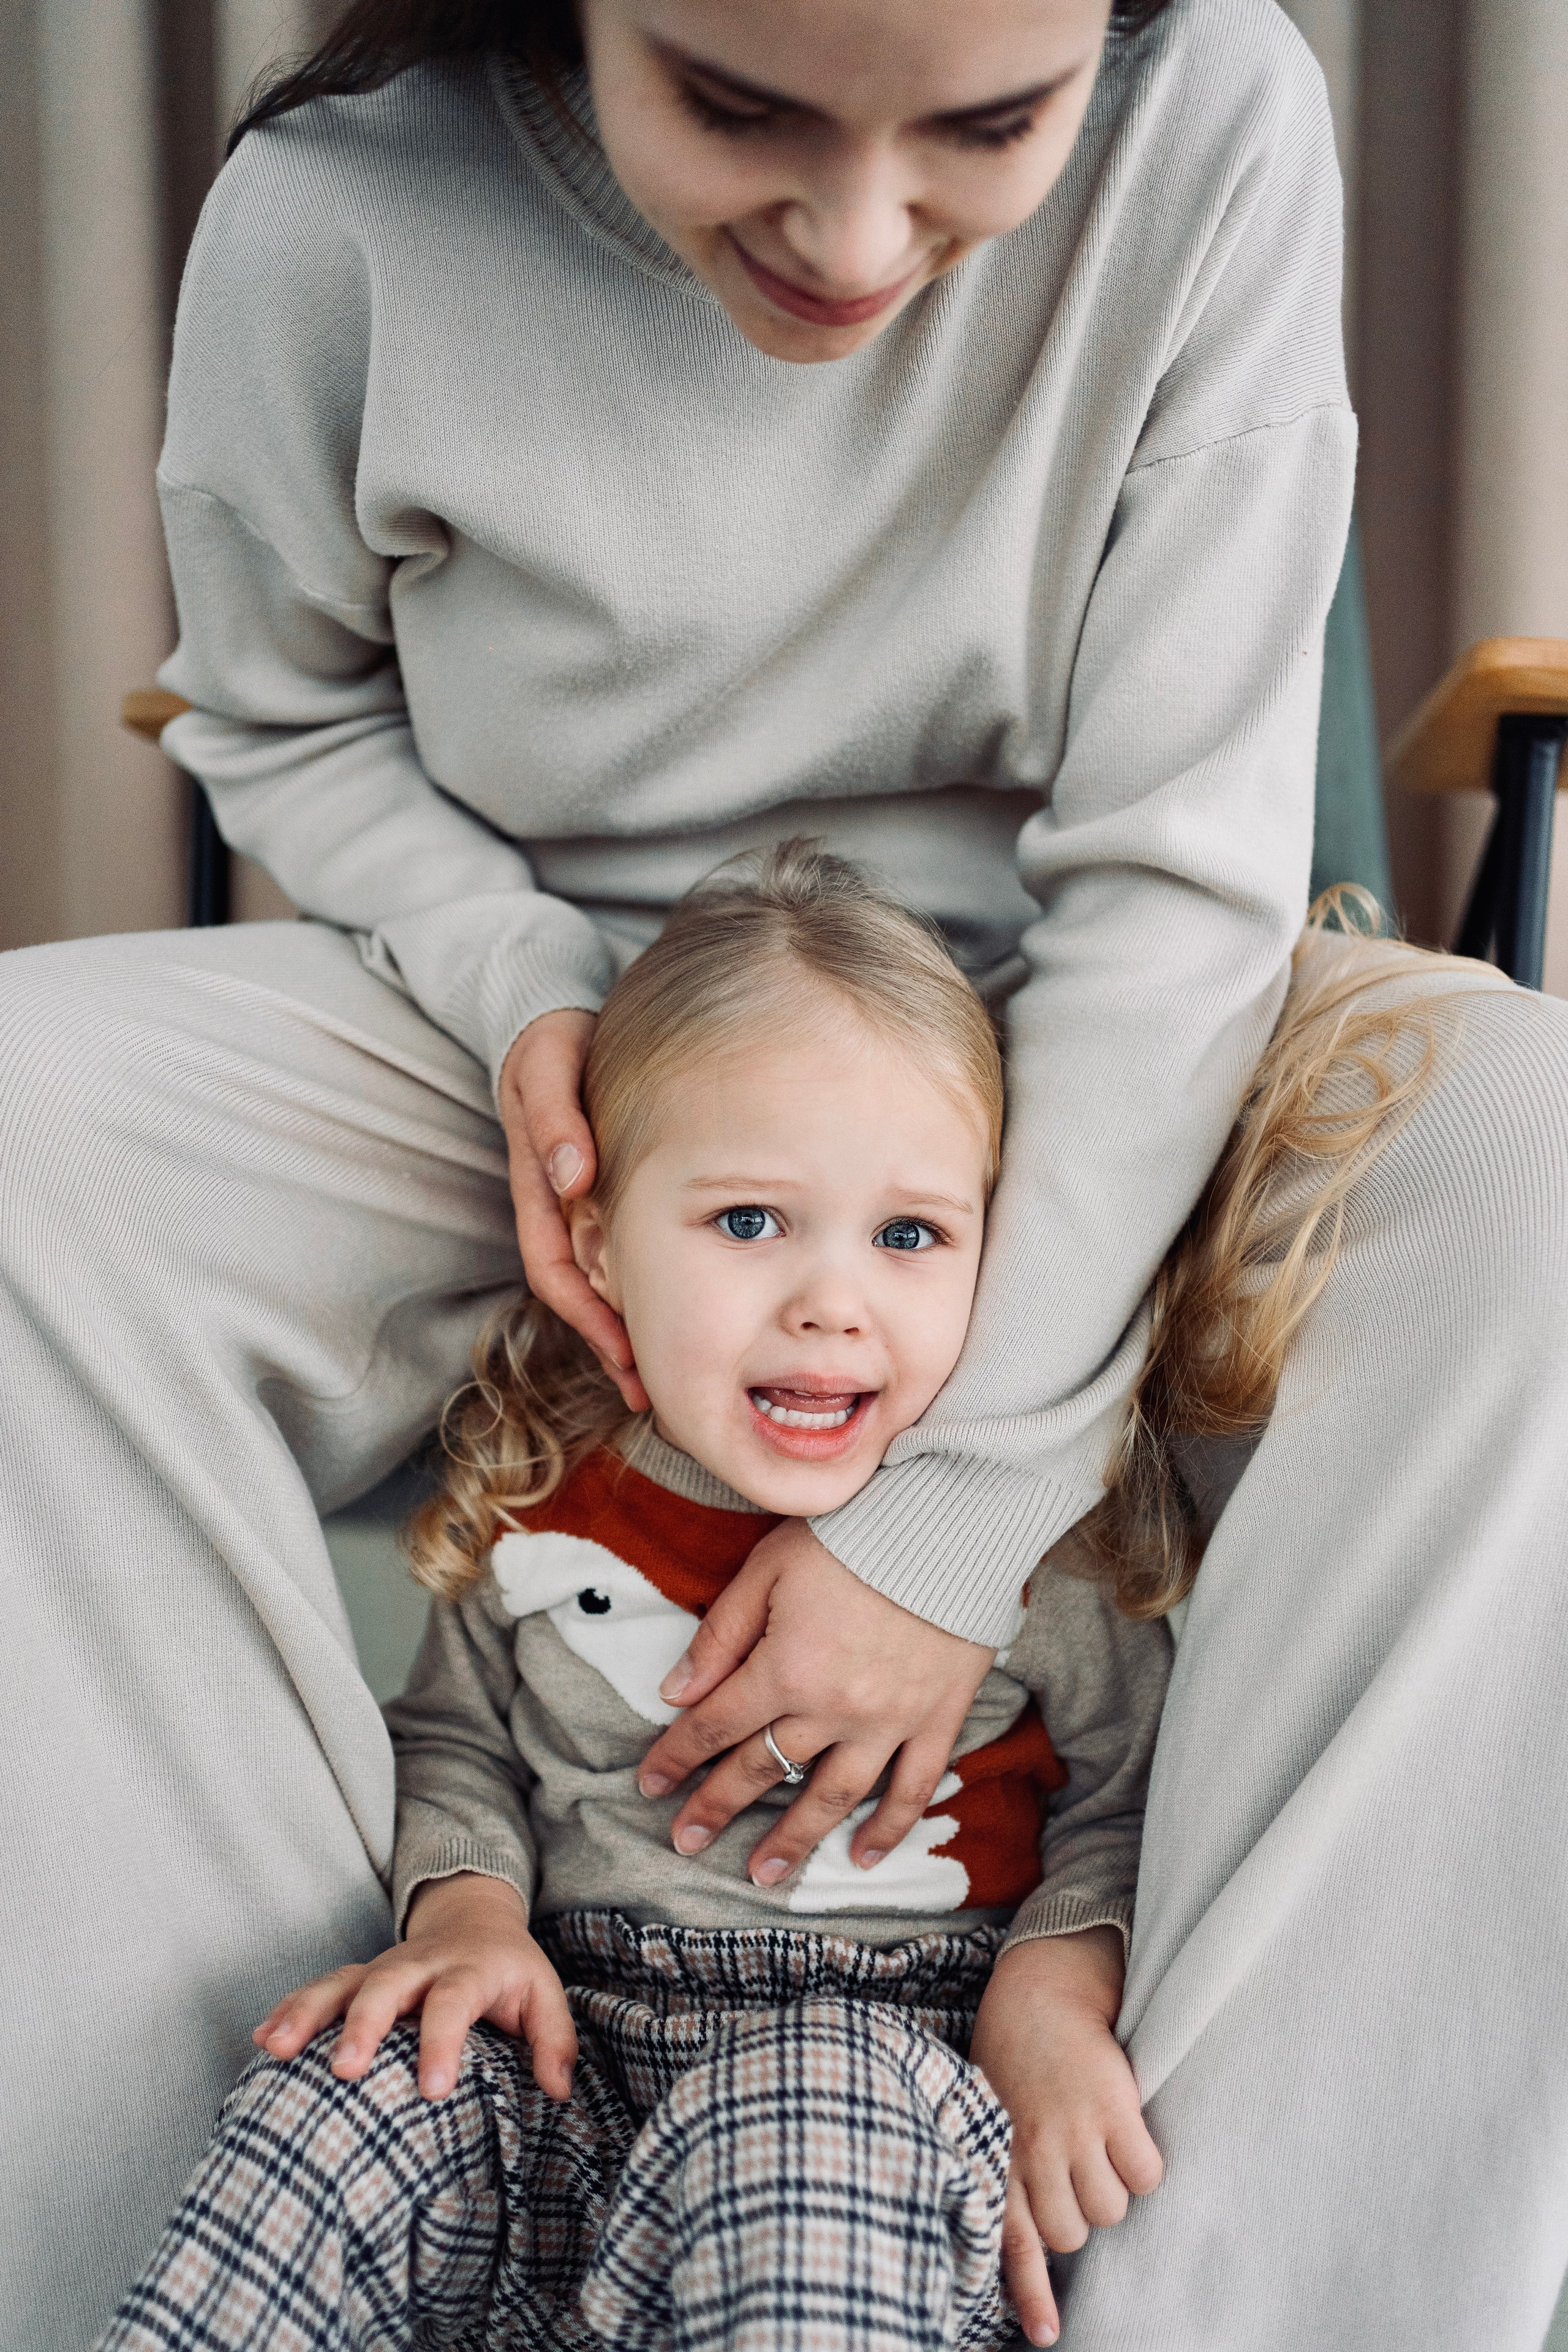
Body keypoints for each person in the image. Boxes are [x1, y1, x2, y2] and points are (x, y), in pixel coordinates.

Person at [3, 0, 1566, 2343]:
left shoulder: (1224, 109)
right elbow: (286, 714)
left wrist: (951, 1510)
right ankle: (332, 2182)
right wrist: (537, 998)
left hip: (1078, 1006)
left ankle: (1201, 2284)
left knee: (1534, 1156)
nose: (856, 238)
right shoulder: (338, 206)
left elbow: (1173, 894)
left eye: (989, 127)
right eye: (738, 109)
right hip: (541, 1020)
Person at [99, 845, 1174, 2351]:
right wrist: (467, 1919)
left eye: (909, 1234)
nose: (829, 1298)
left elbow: (1130, 1800)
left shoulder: (1025, 1543)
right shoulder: (545, 1483)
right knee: (341, 2083)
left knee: (804, 2116)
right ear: (597, 1242)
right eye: (748, 1223)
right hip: (564, 2060)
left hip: (871, 2083)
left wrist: (1053, 1989)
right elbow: (460, 1743)